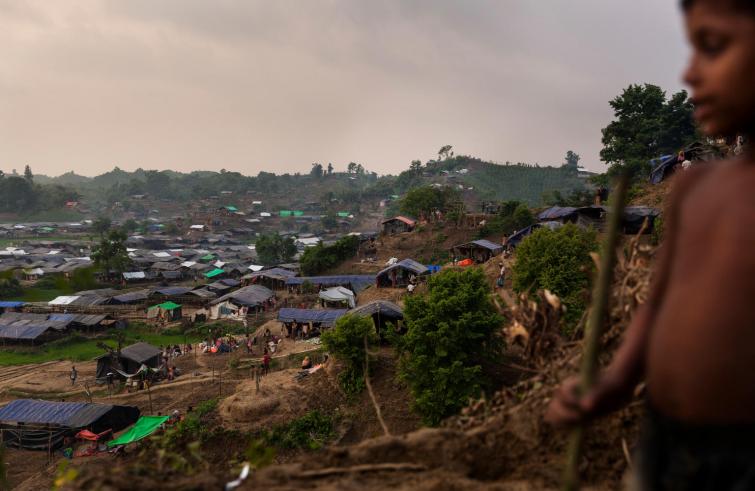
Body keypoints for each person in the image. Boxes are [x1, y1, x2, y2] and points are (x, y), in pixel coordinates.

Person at [546, 1, 755, 488]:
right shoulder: (696, 190)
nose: (690, 73)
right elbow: (659, 302)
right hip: (662, 442)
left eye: (713, 46)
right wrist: (613, 383)